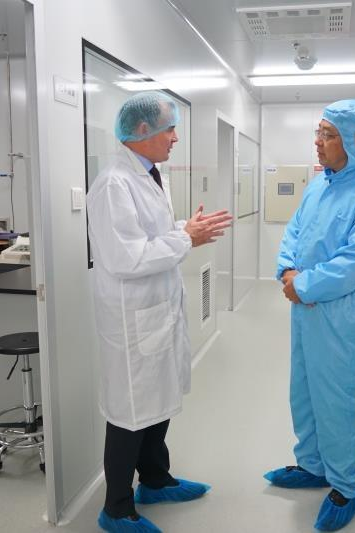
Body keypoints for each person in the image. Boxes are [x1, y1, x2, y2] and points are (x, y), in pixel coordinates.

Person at [87, 91, 232, 533]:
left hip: (158, 309)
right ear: (142, 130)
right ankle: (116, 508)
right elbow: (126, 257)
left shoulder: (150, 174)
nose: (175, 138)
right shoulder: (113, 184)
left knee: (158, 399)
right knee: (130, 412)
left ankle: (154, 480)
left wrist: (186, 229)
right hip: (131, 317)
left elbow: (152, 235)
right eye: (170, 129)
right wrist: (186, 238)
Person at [264, 99, 355, 532]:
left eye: (329, 135)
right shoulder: (319, 185)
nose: (318, 143)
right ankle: (312, 465)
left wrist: (302, 285)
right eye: (318, 133)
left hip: (342, 315)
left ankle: (344, 485)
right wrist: (287, 269)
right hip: (305, 310)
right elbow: (295, 230)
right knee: (303, 390)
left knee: (338, 400)